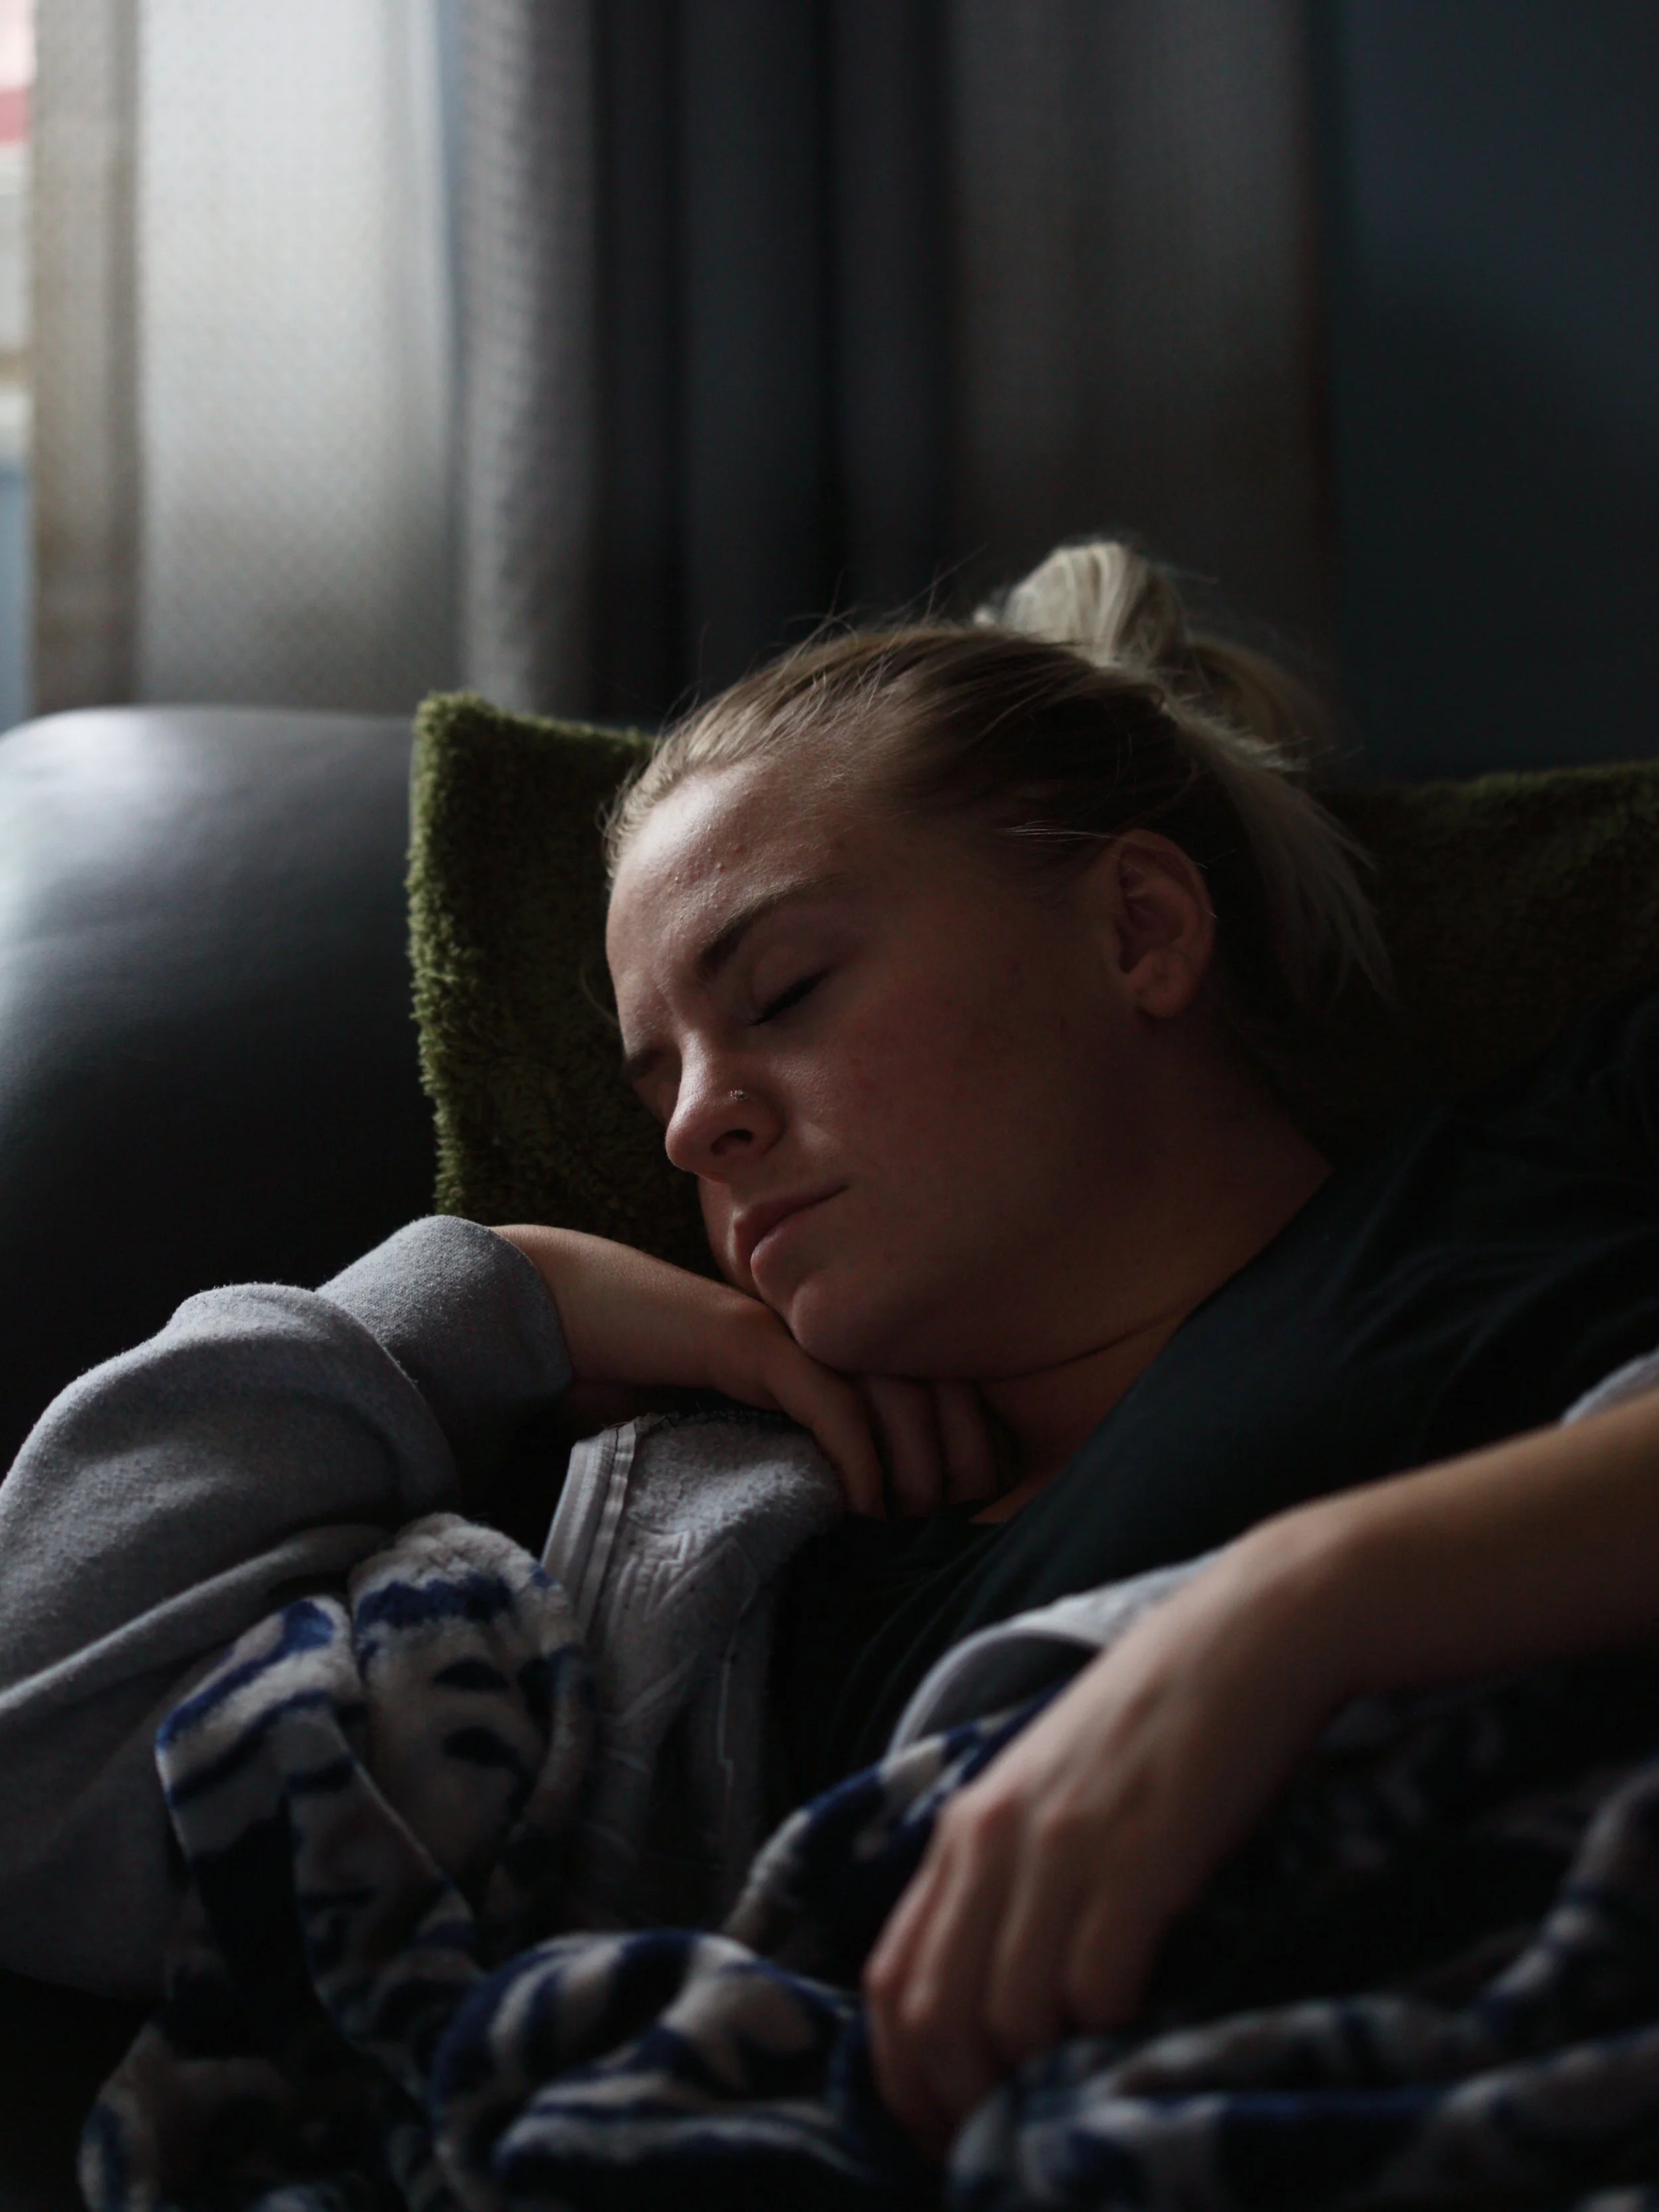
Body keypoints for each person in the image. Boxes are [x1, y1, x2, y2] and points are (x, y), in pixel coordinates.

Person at [5, 539, 1659, 2167]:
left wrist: (1299, 1612)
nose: (696, 1127)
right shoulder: (729, 1577)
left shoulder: (1535, 1173)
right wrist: (499, 1294)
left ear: (1139, 929)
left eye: (783, 990)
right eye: (656, 1084)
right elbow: (41, 1745)